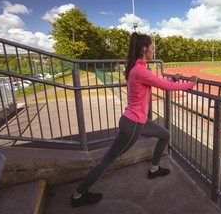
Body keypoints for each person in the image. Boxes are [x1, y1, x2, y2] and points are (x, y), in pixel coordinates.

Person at [71, 32, 199, 208]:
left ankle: (154, 169)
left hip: (135, 121)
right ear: (144, 49)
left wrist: (172, 78)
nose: (154, 52)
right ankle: (78, 195)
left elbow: (158, 82)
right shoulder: (139, 70)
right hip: (133, 125)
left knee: (165, 134)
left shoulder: (137, 69)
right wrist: (191, 83)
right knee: (108, 159)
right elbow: (167, 87)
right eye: (153, 49)